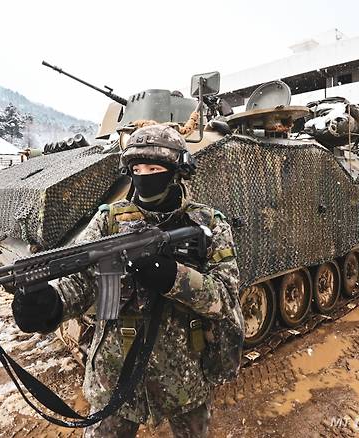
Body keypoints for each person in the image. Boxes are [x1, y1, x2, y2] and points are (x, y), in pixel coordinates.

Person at [12, 124, 241, 437]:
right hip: (114, 375)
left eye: (154, 167)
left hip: (184, 375)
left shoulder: (207, 223)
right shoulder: (109, 220)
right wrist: (46, 304)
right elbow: (79, 282)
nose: (144, 175)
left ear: (176, 171)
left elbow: (226, 298)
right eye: (137, 168)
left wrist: (171, 274)